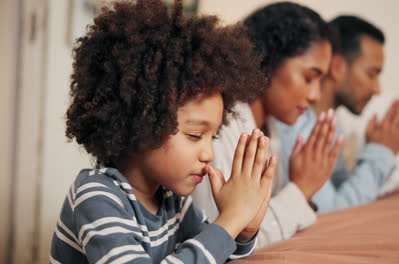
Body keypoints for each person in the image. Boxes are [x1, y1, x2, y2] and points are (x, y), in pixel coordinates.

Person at [50, 0, 278, 263]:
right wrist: (230, 219)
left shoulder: (171, 201)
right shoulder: (96, 196)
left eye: (212, 137)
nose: (209, 154)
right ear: (141, 123)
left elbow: (213, 255)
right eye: (195, 135)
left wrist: (243, 230)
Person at [192, 2, 343, 248]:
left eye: (320, 82)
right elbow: (221, 240)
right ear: (267, 61)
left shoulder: (273, 130)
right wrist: (301, 188)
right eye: (308, 78)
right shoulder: (221, 128)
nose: (315, 95)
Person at [275, 15, 399, 214]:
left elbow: (339, 191)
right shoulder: (298, 125)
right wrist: (381, 153)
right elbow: (333, 213)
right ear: (337, 66)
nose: (377, 89)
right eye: (371, 74)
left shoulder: (331, 123)